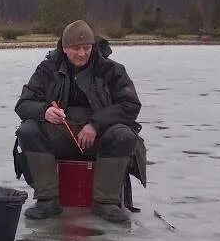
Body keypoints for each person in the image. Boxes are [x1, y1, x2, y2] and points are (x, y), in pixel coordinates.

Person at [13, 20, 146, 224]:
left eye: (87, 48)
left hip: (102, 137)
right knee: (28, 130)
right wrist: (44, 111)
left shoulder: (112, 70)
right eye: (76, 49)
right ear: (65, 48)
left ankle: (106, 202)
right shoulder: (47, 69)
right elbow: (23, 104)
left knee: (124, 135)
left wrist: (95, 124)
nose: (82, 53)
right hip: (61, 135)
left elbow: (131, 105)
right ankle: (47, 199)